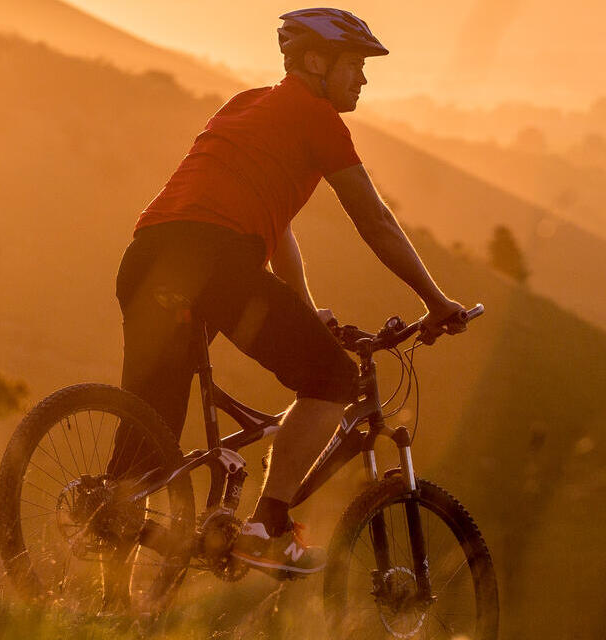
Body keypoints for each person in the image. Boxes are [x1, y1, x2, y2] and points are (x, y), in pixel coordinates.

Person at [113, 8, 467, 574]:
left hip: (148, 260)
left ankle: (104, 570)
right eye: (354, 64)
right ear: (313, 62)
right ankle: (266, 527)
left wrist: (303, 308)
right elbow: (374, 220)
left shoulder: (248, 105)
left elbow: (274, 228)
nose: (363, 78)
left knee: (146, 441)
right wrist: (435, 300)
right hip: (216, 261)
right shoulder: (318, 118)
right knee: (331, 379)